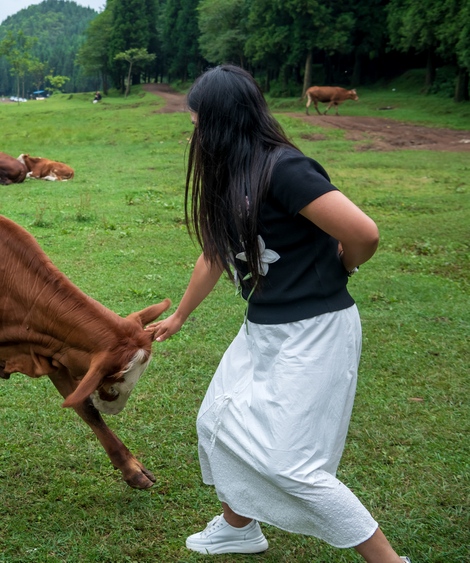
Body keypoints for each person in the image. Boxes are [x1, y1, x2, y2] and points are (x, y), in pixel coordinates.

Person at [145, 65, 409, 563]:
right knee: (216, 423)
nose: (193, 130)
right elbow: (215, 254)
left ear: (221, 121)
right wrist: (179, 316)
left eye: (198, 120)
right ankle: (238, 528)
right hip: (261, 328)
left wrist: (341, 268)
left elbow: (364, 234)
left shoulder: (285, 169)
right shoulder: (229, 176)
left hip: (316, 331)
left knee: (292, 465)